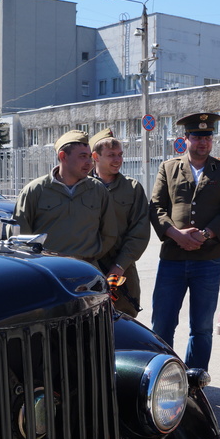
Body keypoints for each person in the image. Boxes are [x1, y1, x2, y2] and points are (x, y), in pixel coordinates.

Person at [149, 112, 220, 371]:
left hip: (207, 259)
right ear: (186, 138)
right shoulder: (168, 168)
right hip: (172, 259)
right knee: (162, 324)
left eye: (208, 137)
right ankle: (163, 377)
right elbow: (156, 206)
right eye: (198, 137)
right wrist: (175, 234)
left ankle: (195, 380)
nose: (204, 142)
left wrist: (206, 234)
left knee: (201, 327)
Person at [14, 130, 117, 266]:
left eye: (89, 157)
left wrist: (90, 257)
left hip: (86, 270)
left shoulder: (98, 190)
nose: (89, 163)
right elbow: (19, 237)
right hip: (48, 270)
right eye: (82, 156)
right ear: (63, 156)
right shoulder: (35, 190)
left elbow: (109, 234)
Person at [90, 128, 150, 317]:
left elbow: (139, 232)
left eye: (120, 155)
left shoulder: (132, 188)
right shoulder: (82, 187)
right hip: (89, 267)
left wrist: (119, 267)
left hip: (122, 269)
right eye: (111, 155)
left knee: (124, 320)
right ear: (95, 157)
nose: (118, 160)